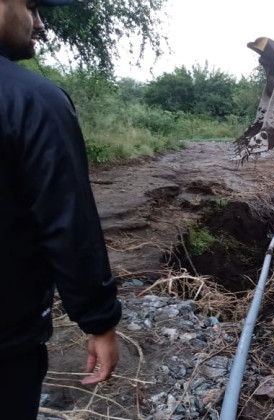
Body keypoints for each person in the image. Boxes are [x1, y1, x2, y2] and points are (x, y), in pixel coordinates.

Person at [0, 0, 122, 418]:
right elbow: (67, 223)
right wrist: (99, 320)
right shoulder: (32, 101)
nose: (40, 24)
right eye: (31, 6)